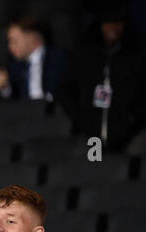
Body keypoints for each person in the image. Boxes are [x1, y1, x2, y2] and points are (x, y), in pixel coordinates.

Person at [62, 9, 146, 152]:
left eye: (118, 24)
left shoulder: (137, 56)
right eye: (108, 24)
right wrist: (82, 120)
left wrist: (133, 118)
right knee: (95, 171)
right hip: (93, 137)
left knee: (128, 170)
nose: (113, 28)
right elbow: (65, 90)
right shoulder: (86, 55)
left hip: (130, 134)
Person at [0, 16, 68, 102]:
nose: (10, 47)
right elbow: (13, 97)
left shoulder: (60, 58)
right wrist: (4, 86)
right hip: (27, 113)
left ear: (32, 37)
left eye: (14, 40)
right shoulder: (15, 67)